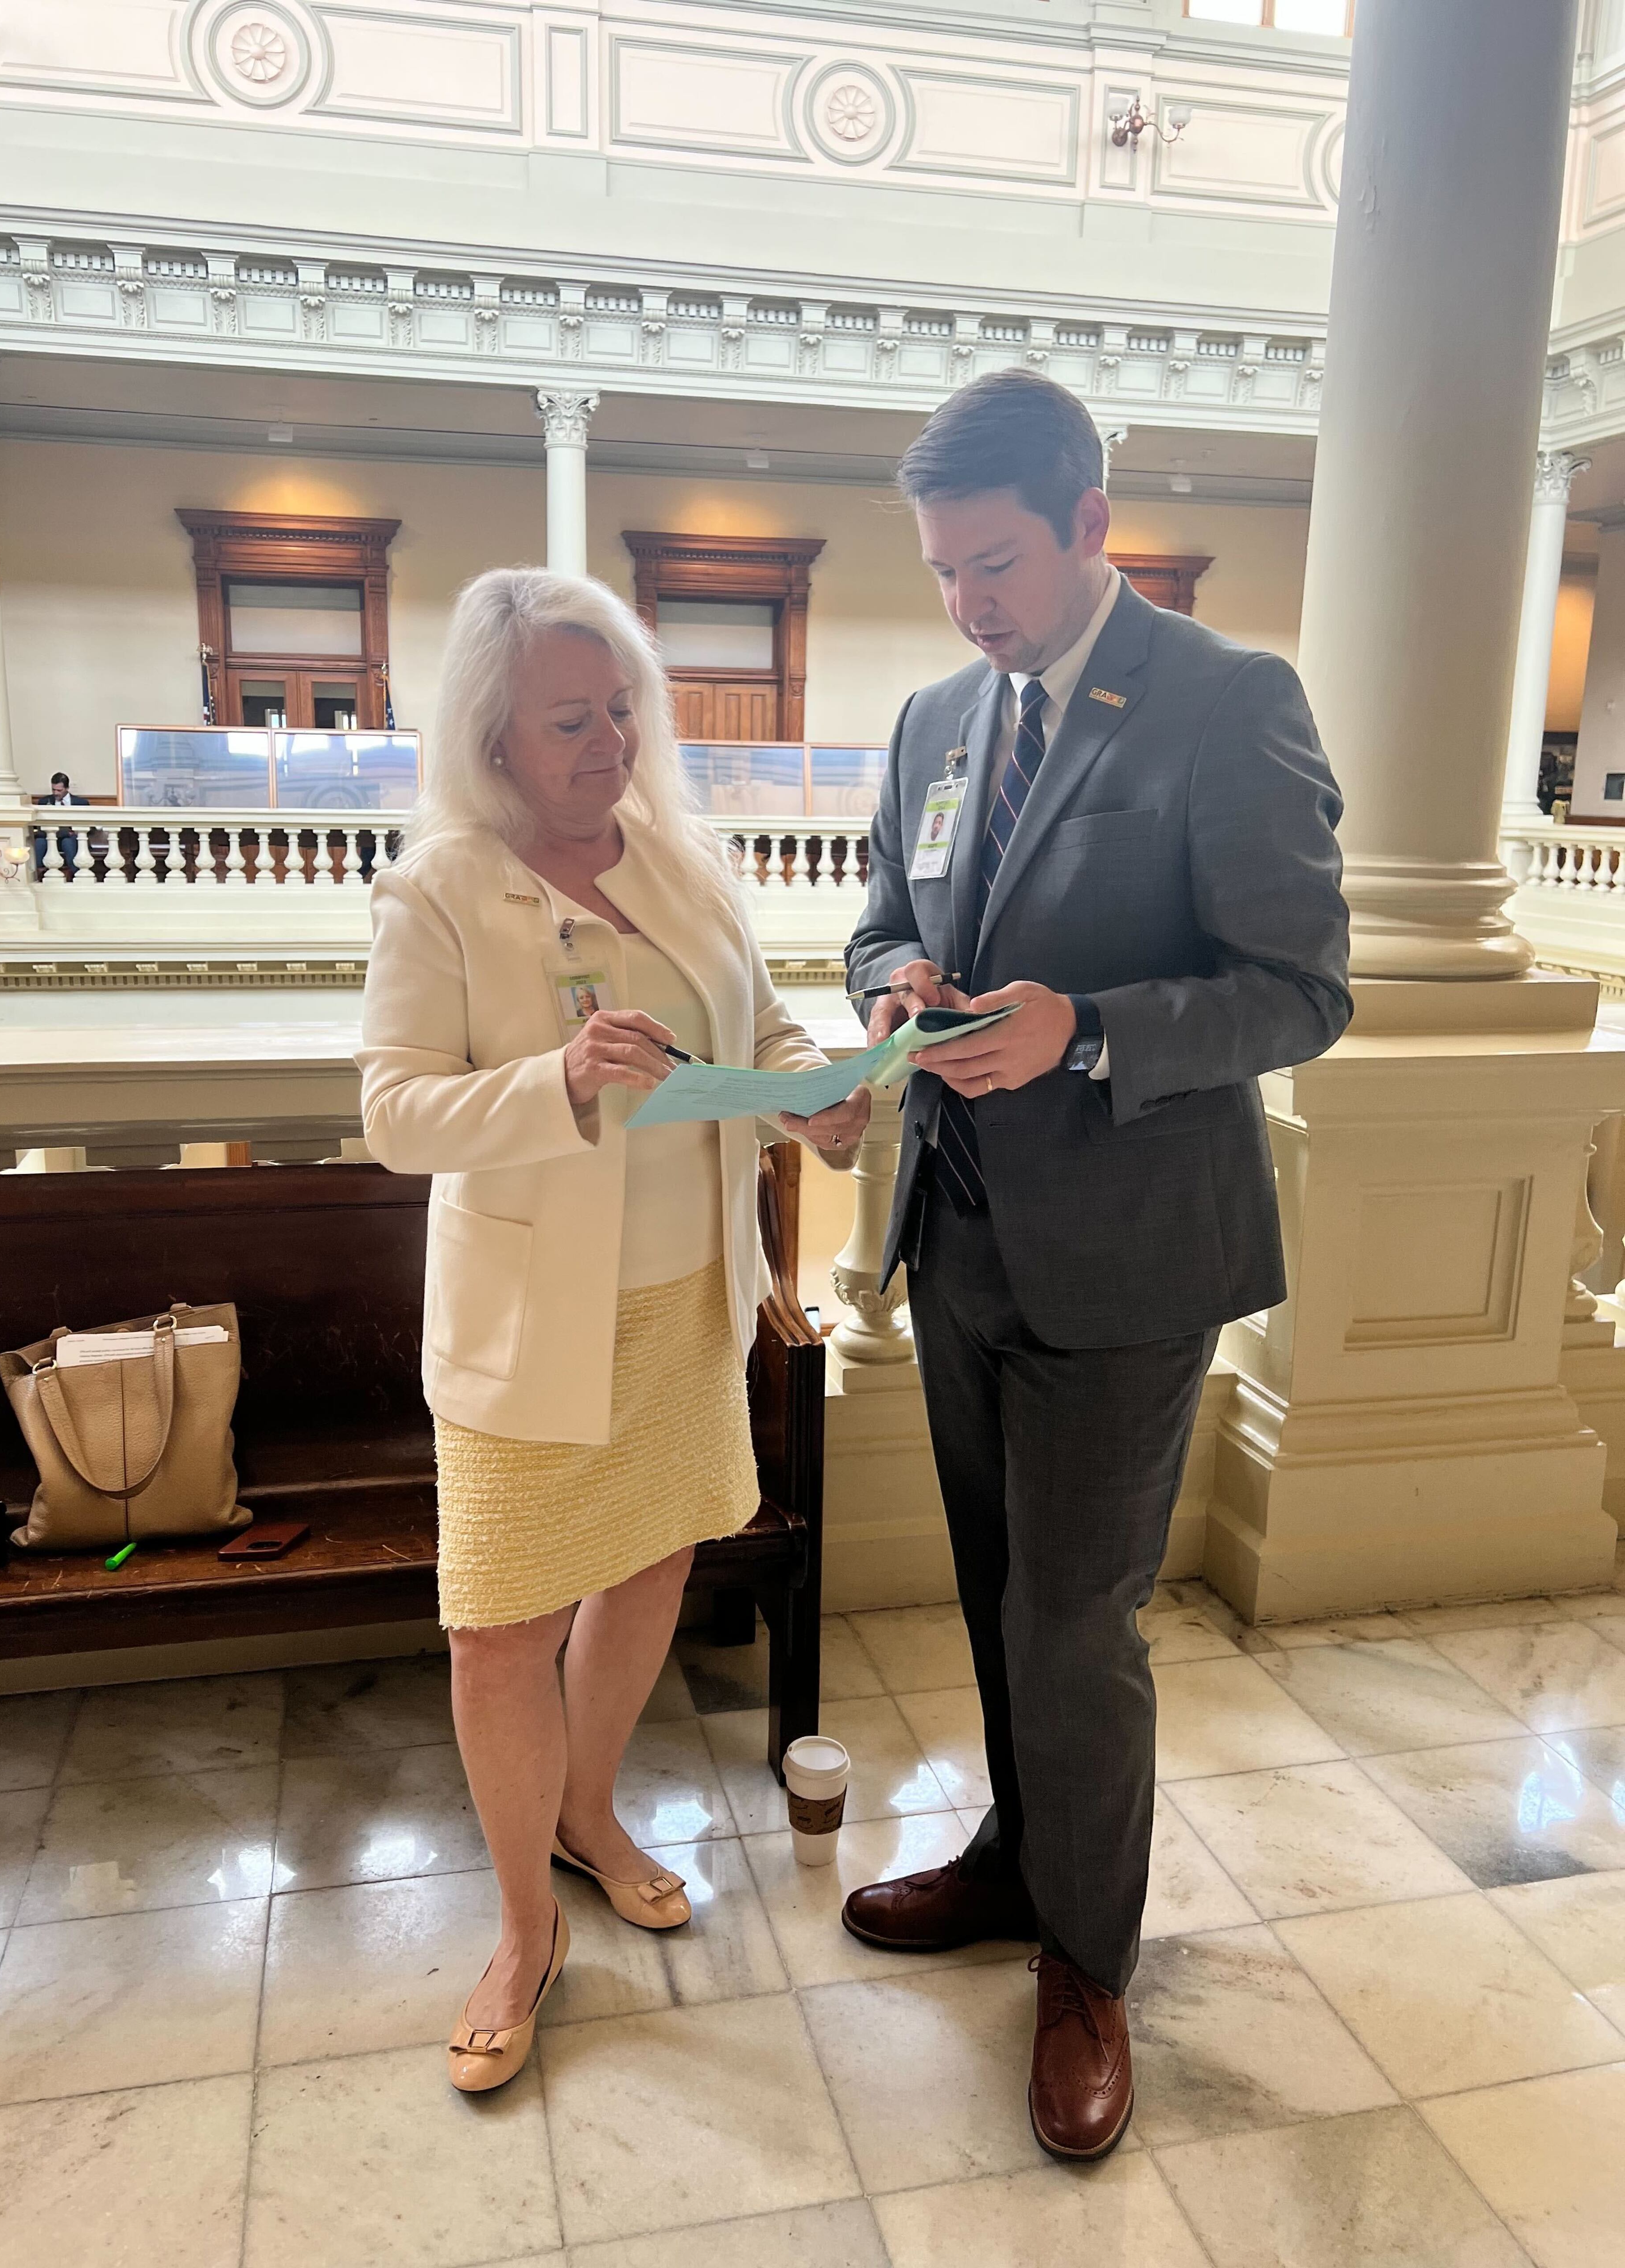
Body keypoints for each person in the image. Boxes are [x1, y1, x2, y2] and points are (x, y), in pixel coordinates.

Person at [841, 369, 1351, 2163]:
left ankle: (1088, 1958)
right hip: (962, 1231)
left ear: (1087, 527)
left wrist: (1088, 1029)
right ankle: (1009, 1853)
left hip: (1130, 1257)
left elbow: (1304, 991)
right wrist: (893, 987)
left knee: (1075, 1616)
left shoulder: (1228, 704)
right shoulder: (932, 717)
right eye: (943, 572)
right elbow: (881, 914)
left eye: (996, 563)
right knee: (997, 1591)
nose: (971, 605)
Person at [357, 568, 869, 2094]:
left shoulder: (676, 859)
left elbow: (758, 1022)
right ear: (497, 739)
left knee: (654, 1558)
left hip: (685, 1297)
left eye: (623, 706)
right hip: (530, 1322)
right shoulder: (441, 885)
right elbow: (391, 1115)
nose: (609, 739)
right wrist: (557, 1085)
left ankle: (591, 1813)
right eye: (570, 719)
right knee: (500, 1623)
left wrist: (822, 1095)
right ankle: (526, 1931)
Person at [33, 769, 88, 879]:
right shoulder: (44, 802)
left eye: (59, 790)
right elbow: (39, 827)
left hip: (72, 839)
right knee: (40, 842)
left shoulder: (81, 803)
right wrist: (65, 832)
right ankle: (38, 876)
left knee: (68, 842)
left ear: (67, 789)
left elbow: (91, 827)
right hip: (49, 837)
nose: (56, 793)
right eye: (54, 790)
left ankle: (76, 876)